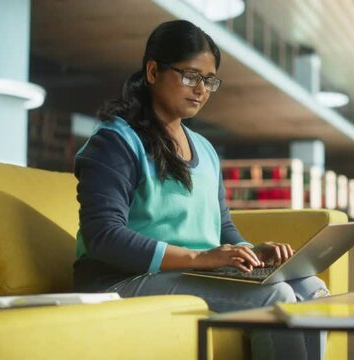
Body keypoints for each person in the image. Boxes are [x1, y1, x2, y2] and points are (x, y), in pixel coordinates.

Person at [73, 19, 328, 360]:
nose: (201, 89)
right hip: (120, 279)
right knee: (273, 297)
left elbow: (221, 225)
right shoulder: (115, 142)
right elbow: (103, 236)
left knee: (311, 289)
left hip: (190, 271)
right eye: (190, 76)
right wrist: (201, 258)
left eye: (209, 81)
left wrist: (251, 253)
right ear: (153, 72)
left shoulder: (204, 150)